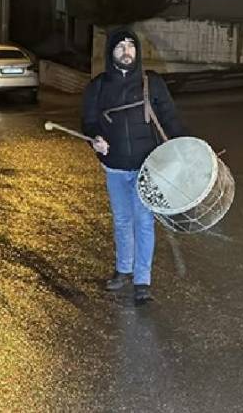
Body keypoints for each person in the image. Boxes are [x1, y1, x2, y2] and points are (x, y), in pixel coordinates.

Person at [82, 29, 185, 304]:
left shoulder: (152, 83)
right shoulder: (98, 86)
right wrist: (95, 139)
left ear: (137, 51)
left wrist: (187, 150)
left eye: (130, 46)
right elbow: (89, 122)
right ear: (111, 52)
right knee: (122, 221)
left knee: (144, 221)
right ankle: (123, 270)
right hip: (114, 167)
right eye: (120, 47)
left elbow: (170, 119)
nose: (126, 51)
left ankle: (142, 281)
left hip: (146, 166)